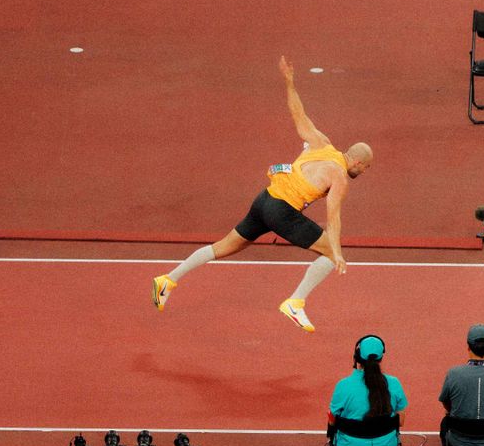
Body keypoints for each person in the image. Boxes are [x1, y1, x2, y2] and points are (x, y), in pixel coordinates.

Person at [154, 56, 373, 333]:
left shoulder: (321, 143)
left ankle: (167, 280)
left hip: (264, 200)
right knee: (329, 255)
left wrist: (290, 81)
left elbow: (298, 114)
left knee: (223, 247)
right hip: (283, 212)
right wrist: (338, 253)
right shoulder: (339, 175)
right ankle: (296, 302)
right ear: (357, 162)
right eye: (365, 168)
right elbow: (334, 218)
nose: (364, 173)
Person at [329, 335, 408, 446]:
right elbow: (401, 421)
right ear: (381, 357)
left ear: (357, 357)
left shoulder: (343, 385)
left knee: (334, 429)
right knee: (378, 429)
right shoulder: (394, 383)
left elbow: (332, 418)